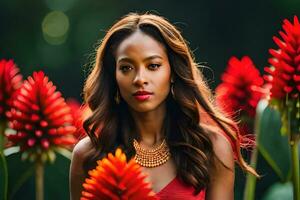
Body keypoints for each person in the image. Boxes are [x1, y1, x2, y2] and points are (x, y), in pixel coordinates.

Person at [69, 12, 257, 200]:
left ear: (173, 72)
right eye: (126, 68)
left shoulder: (211, 149)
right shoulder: (88, 155)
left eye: (153, 66)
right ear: (114, 76)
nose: (140, 79)